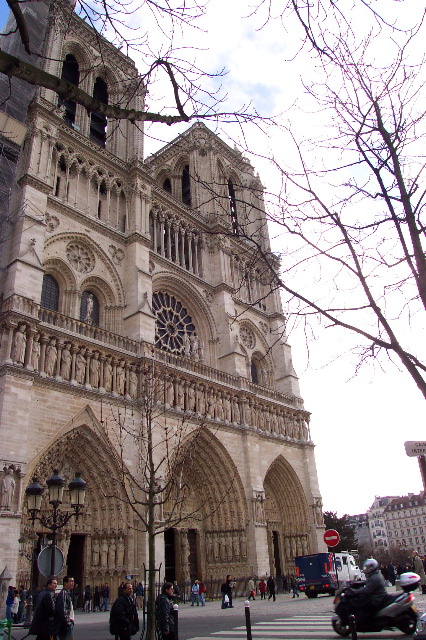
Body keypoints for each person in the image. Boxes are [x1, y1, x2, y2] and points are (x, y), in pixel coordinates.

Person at [343, 558, 388, 628]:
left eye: (366, 567)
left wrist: (354, 592)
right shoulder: (375, 575)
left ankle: (366, 624)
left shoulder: (374, 577)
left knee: (363, 607)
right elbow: (368, 583)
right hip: (378, 597)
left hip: (376, 599)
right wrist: (357, 583)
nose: (365, 569)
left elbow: (366, 590)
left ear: (371, 568)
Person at [54, 575, 75, 640]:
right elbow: (62, 610)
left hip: (67, 623)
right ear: (65, 583)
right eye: (71, 581)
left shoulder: (67, 593)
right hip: (66, 624)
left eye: (73, 581)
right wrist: (68, 622)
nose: (73, 583)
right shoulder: (63, 594)